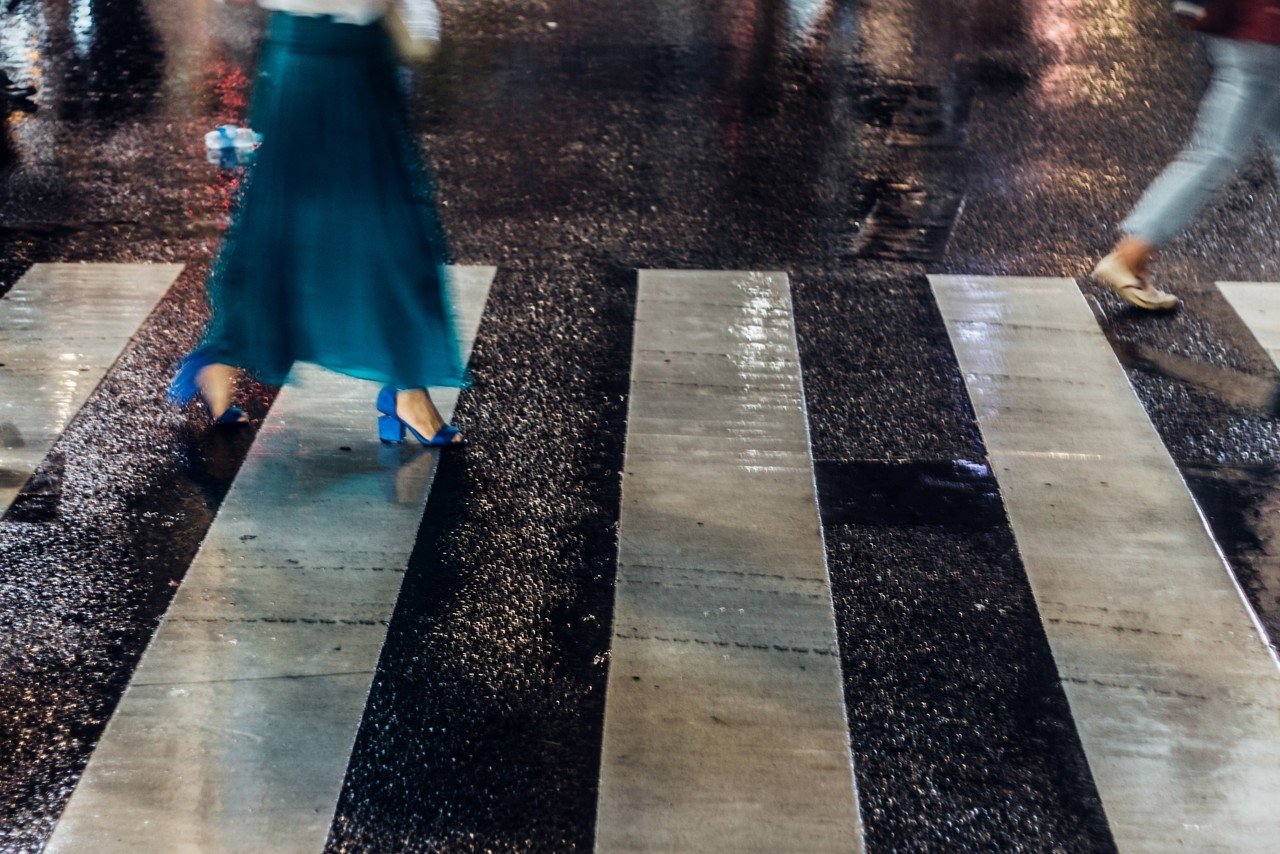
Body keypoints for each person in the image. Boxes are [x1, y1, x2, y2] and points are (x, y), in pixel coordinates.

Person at [171, 0, 466, 446]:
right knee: (300, 227)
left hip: (359, 58)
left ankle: (405, 386)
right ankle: (226, 349)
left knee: (385, 230)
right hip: (310, 57)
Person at [1093, 0, 1280, 310]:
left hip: (1251, 31)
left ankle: (1132, 255)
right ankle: (1131, 253)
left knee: (1217, 152)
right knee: (1215, 154)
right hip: (1263, 34)